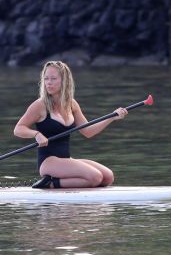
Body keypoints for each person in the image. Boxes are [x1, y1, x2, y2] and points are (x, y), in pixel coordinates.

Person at [14, 61, 128, 189]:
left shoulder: (71, 104)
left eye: (53, 78)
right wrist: (36, 134)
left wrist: (112, 117)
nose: (48, 82)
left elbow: (88, 131)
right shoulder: (40, 105)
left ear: (65, 81)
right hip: (48, 161)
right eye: (46, 78)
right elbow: (18, 129)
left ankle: (59, 182)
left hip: (66, 159)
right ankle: (50, 183)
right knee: (95, 177)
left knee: (108, 177)